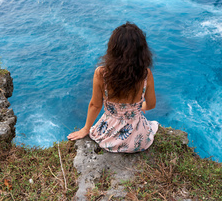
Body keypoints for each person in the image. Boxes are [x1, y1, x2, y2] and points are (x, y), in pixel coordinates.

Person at [67, 22, 159, 153]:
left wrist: (86, 129)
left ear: (113, 48)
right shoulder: (145, 74)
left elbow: (95, 105)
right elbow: (151, 104)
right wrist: (138, 107)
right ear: (142, 51)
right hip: (138, 139)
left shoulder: (102, 73)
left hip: (109, 137)